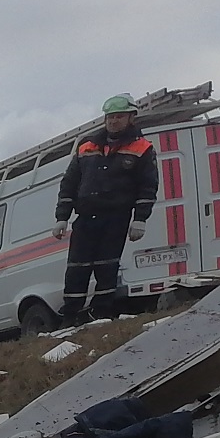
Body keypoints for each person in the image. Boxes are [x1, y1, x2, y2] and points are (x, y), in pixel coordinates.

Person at [52, 95, 159, 323]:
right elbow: (69, 183)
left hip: (116, 218)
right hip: (85, 218)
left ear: (131, 118)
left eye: (119, 116)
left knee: (106, 267)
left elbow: (148, 186)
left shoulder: (142, 148)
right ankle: (70, 316)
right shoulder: (87, 146)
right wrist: (62, 217)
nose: (113, 121)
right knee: (77, 268)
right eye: (110, 117)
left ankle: (100, 312)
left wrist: (140, 219)